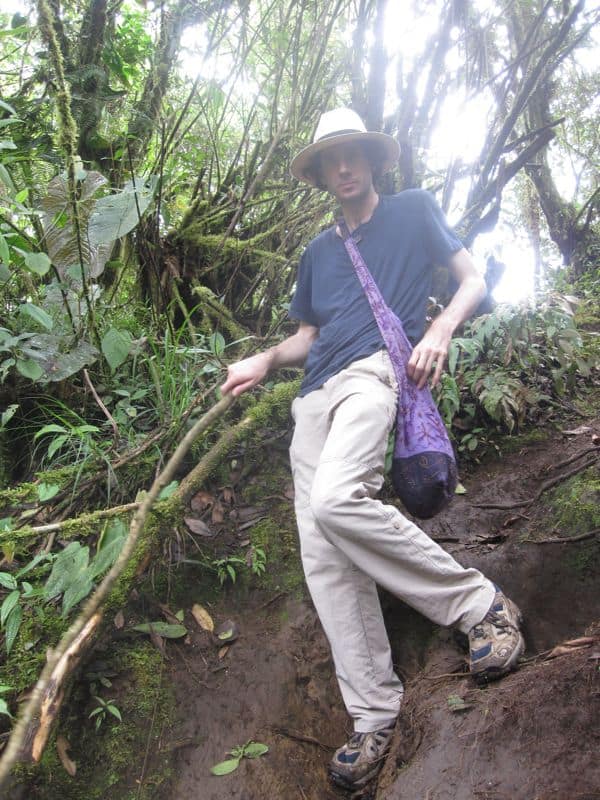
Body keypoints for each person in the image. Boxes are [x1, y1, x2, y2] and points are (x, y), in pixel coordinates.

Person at [220, 108, 525, 791]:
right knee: (322, 554)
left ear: (372, 160)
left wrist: (441, 328)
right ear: (322, 173)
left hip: (374, 374)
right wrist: (265, 359)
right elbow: (307, 337)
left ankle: (481, 606)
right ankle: (375, 713)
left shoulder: (413, 210)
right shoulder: (318, 252)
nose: (345, 166)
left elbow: (471, 278)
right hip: (313, 397)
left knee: (335, 500)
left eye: (354, 153)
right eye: (333, 160)